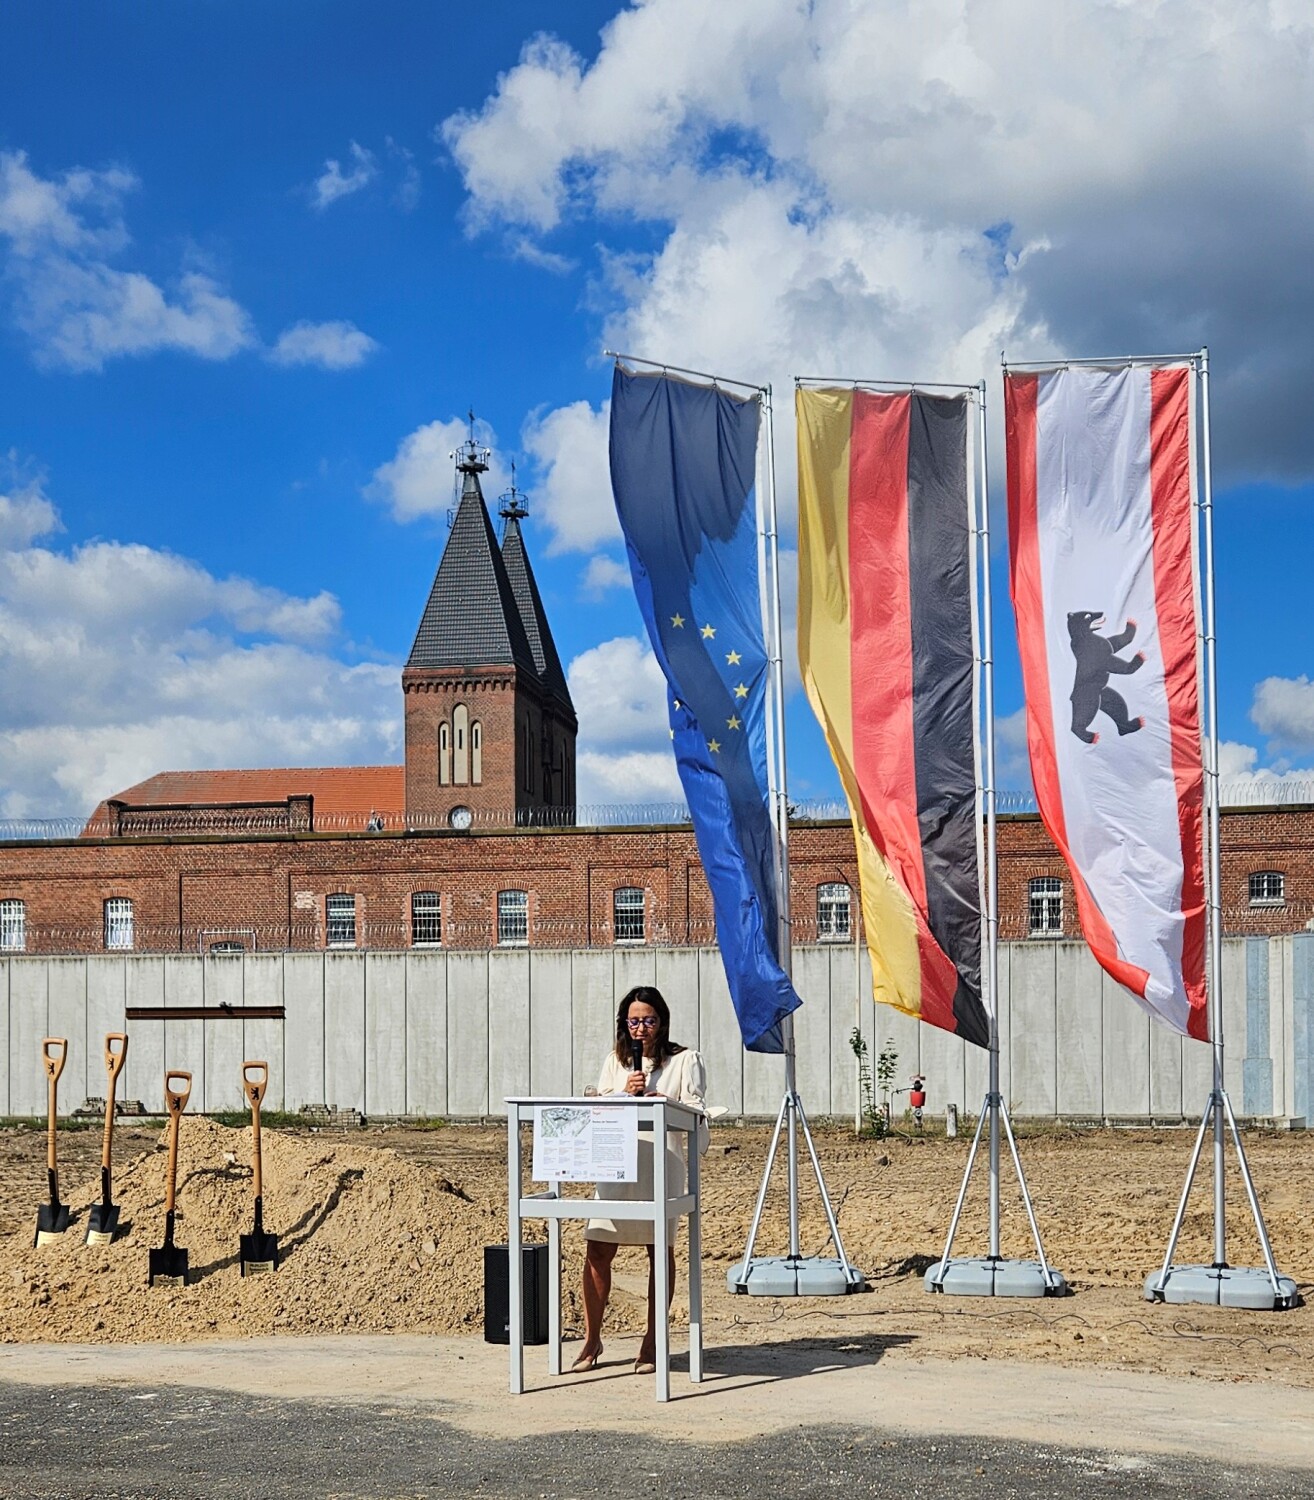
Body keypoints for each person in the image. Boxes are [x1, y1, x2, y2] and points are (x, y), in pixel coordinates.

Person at [571, 985, 707, 1376]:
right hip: (617, 1166)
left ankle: (652, 1341)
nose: (641, 1028)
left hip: (660, 1166)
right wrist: (619, 1093)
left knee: (657, 1251)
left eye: (648, 1020)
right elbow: (597, 1103)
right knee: (597, 1247)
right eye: (634, 1021)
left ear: (661, 1022)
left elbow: (698, 1111)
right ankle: (592, 1338)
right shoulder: (615, 1061)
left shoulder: (684, 1061)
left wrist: (659, 1098)